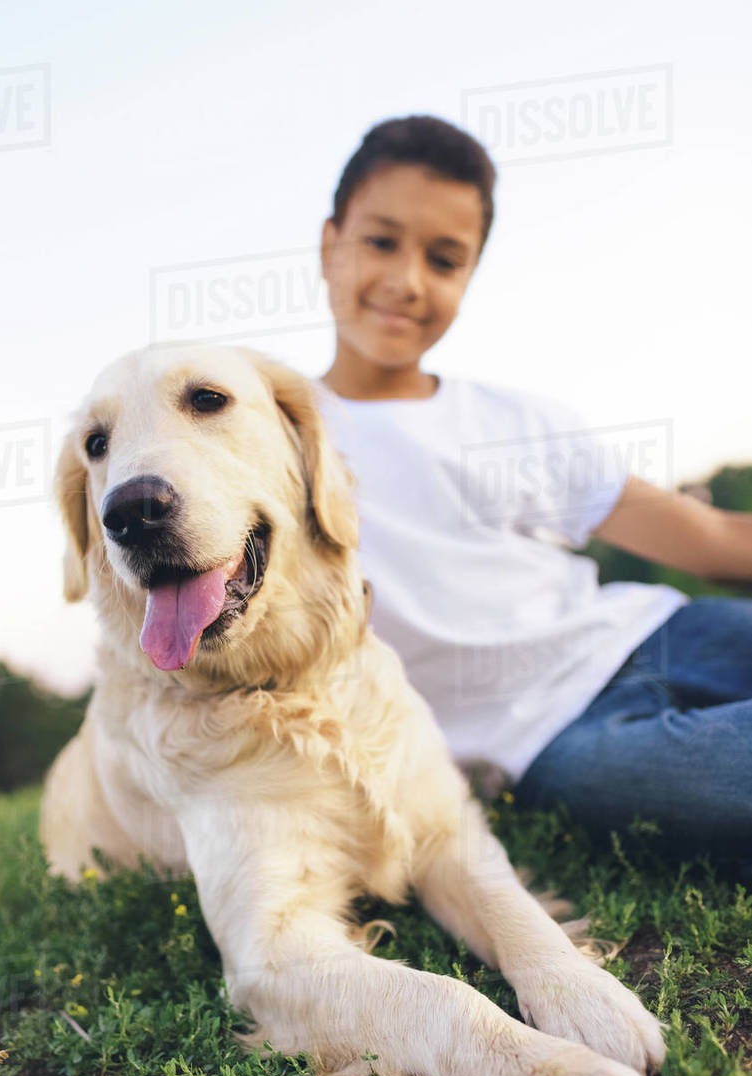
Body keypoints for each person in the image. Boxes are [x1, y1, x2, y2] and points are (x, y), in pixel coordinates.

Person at [312, 114, 752, 872]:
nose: (407, 281)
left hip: (655, 636)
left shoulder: (512, 421)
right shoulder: (267, 435)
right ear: (330, 244)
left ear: (468, 277)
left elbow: (709, 543)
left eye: (443, 259)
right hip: (546, 743)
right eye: (380, 241)